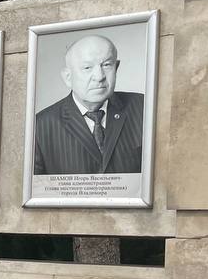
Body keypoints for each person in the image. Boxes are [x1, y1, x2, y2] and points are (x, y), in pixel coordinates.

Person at [32, 34, 144, 176]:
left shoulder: (143, 107)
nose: (99, 76)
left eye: (106, 65)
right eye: (87, 67)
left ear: (116, 68)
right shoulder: (40, 126)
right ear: (68, 77)